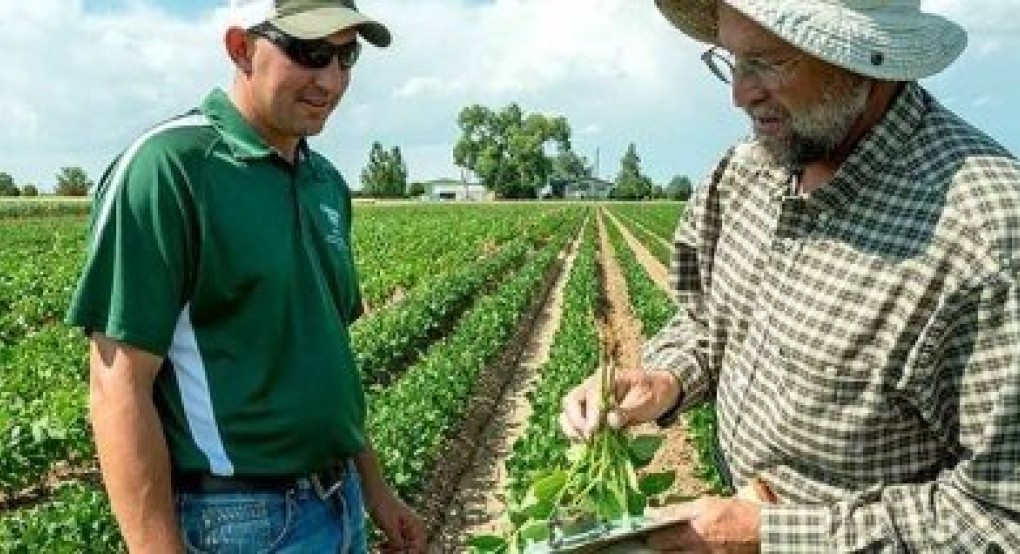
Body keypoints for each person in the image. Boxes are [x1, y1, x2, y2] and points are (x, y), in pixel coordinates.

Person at [561, 0, 1020, 551]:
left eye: (769, 61)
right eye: (732, 60)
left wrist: (774, 535)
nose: (740, 93)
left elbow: (1001, 518)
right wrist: (663, 380)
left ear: (865, 58)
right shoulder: (745, 173)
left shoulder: (986, 237)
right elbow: (707, 322)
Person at [66, 1, 425, 552]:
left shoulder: (324, 181)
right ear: (240, 48)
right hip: (236, 522)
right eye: (309, 53)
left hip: (339, 501)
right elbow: (117, 383)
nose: (330, 80)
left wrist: (376, 489)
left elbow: (325, 355)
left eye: (346, 56)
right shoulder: (169, 167)